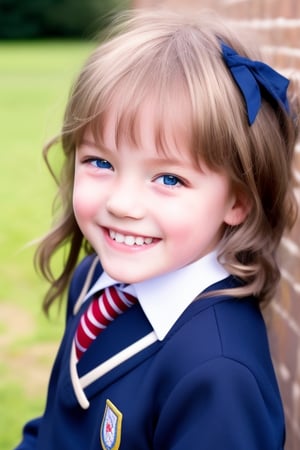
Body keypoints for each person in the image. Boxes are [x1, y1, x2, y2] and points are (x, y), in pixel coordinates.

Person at [15, 8, 299, 450]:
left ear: (238, 200)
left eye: (169, 179)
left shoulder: (219, 376)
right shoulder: (94, 280)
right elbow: (54, 430)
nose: (122, 204)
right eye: (101, 163)